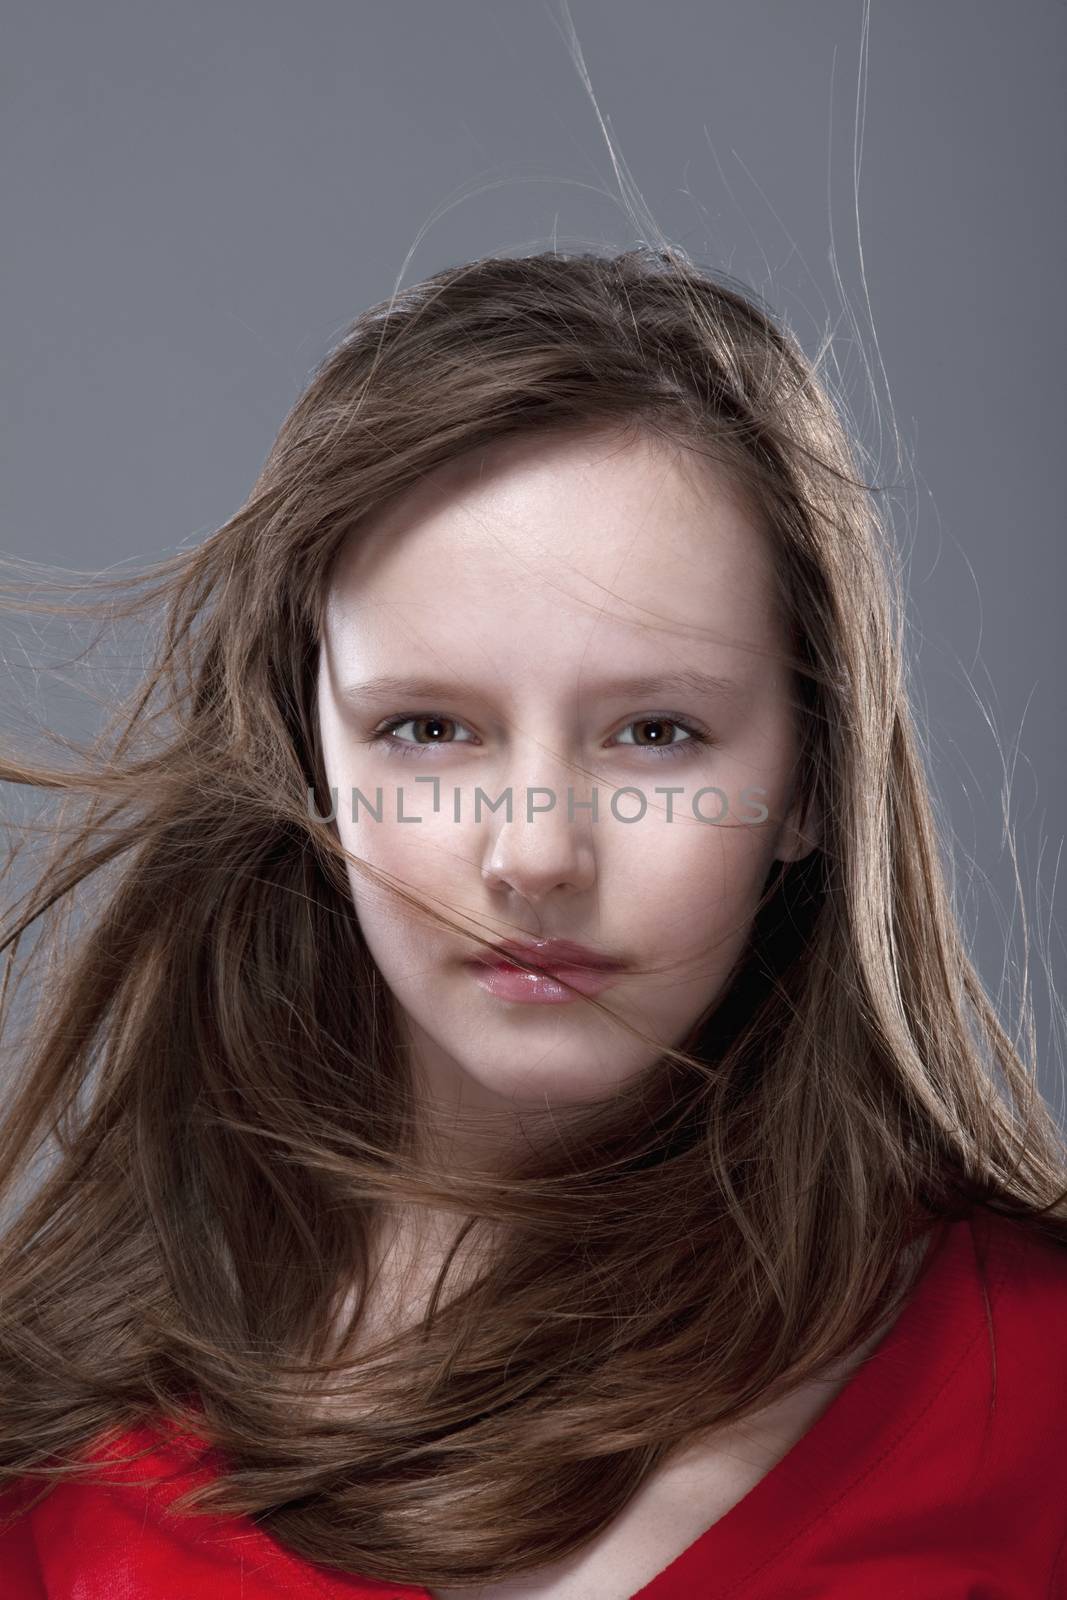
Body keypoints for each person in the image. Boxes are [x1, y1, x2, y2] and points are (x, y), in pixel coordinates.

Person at [0, 246, 1064, 1600]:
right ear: (304, 758)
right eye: (429, 730)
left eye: (656, 734)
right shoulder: (59, 1456)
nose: (537, 853)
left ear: (811, 778)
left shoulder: (1033, 1400)